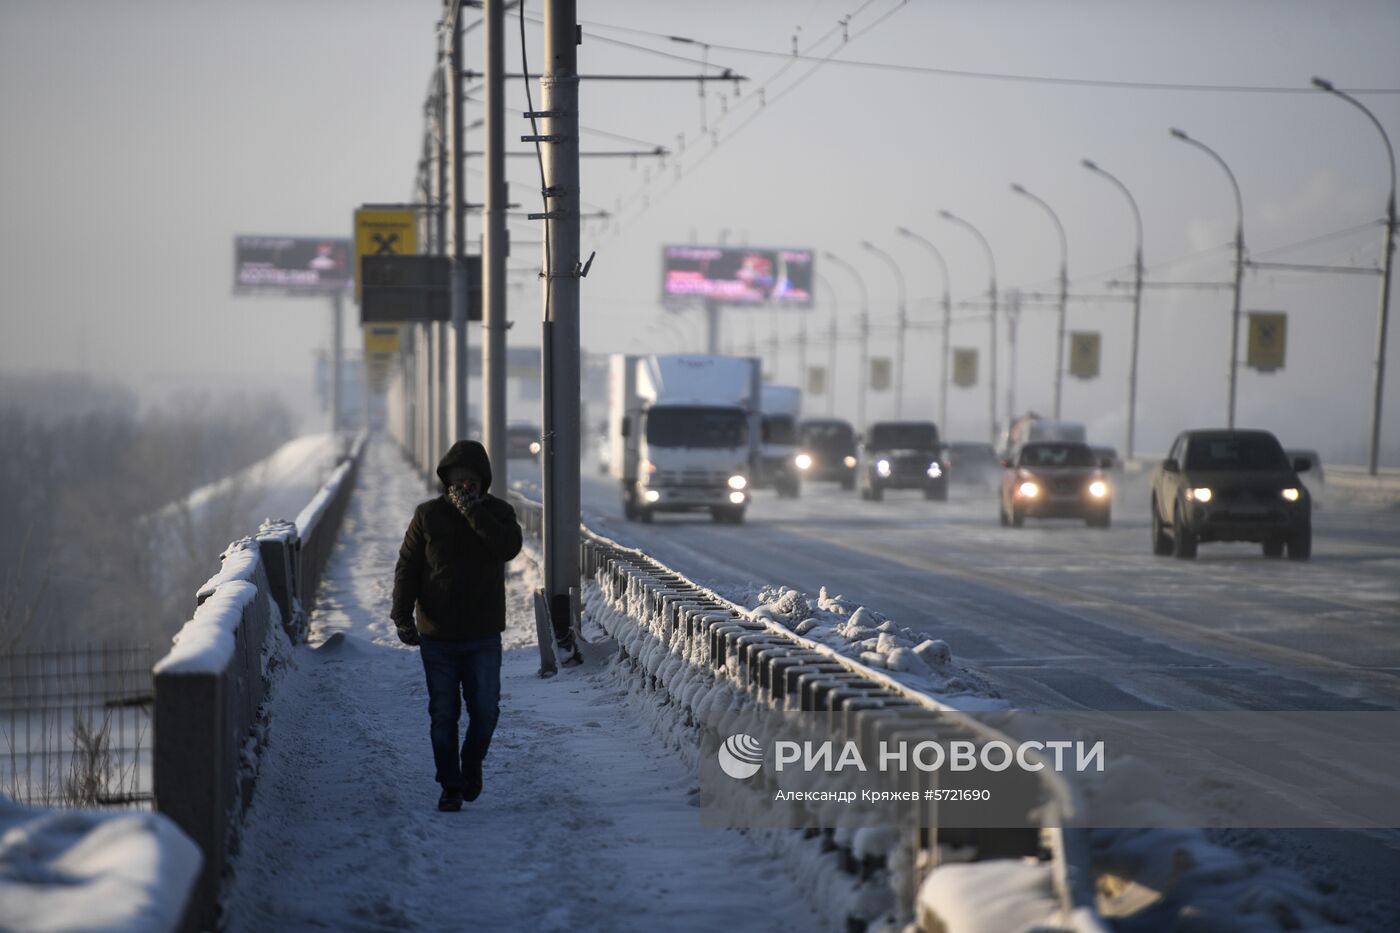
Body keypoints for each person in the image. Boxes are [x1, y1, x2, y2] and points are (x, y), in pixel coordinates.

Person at [392, 440, 522, 812]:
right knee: (443, 713)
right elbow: (408, 568)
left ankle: (472, 763)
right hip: (438, 633)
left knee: (486, 712)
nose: (465, 486)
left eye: (472, 480)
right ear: (446, 480)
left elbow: (508, 548)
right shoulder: (428, 515)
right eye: (457, 480)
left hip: (483, 633)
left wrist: (475, 514)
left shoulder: (500, 513)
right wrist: (402, 615)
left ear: (483, 482)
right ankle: (450, 784)